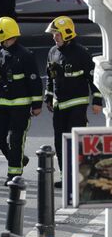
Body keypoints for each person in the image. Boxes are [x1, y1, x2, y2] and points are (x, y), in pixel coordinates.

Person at [44, 16, 103, 188]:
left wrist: (97, 100)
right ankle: (66, 177)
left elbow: (93, 79)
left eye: (57, 34)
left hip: (77, 105)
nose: (54, 37)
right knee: (60, 142)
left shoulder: (81, 53)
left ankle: (79, 177)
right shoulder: (52, 52)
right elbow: (50, 77)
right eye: (53, 34)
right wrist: (48, 97)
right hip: (59, 106)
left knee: (75, 140)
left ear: (67, 34)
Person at [0, 17, 42, 185]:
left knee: (16, 140)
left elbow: (34, 80)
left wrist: (37, 104)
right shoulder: (1, 54)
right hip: (3, 105)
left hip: (20, 107)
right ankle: (17, 159)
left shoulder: (25, 55)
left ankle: (14, 174)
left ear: (5, 34)